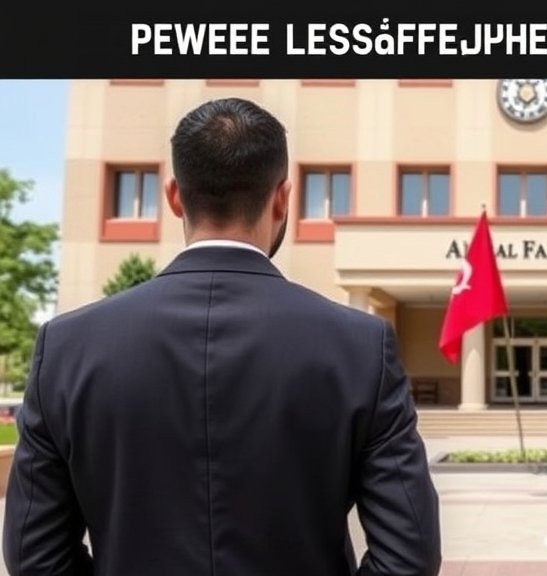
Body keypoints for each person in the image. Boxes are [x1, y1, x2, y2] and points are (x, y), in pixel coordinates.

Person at [3, 97, 442, 576]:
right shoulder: (361, 348)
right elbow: (409, 557)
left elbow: (35, 557)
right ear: (282, 198)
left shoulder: (67, 349)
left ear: (173, 196)